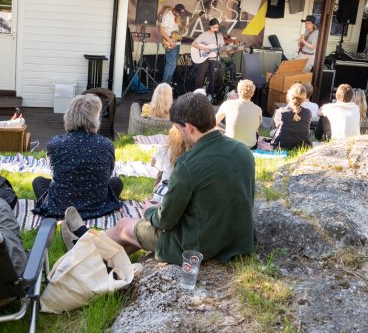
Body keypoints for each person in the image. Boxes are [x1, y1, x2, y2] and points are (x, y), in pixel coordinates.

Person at [62, 93, 255, 265]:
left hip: (198, 246)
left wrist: (150, 211)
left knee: (125, 225)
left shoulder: (188, 163)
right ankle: (97, 261)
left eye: (178, 128)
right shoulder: (243, 151)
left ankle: (80, 249)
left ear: (187, 127)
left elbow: (165, 221)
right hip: (235, 240)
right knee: (136, 231)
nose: (178, 133)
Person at [32, 94, 122, 220]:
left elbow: (56, 173)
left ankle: (69, 211)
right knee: (116, 182)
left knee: (38, 182)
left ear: (69, 115)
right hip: (96, 205)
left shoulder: (55, 143)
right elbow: (107, 174)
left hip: (62, 206)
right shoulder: (106, 144)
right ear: (95, 119)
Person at [216, 79, 262, 149]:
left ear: (238, 91)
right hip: (251, 145)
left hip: (230, 143)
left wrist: (223, 130)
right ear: (253, 93)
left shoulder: (228, 104)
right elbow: (256, 128)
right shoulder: (258, 109)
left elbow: (213, 123)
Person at [151, 124, 192, 202]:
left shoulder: (164, 149)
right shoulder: (192, 154)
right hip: (180, 193)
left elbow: (153, 163)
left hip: (162, 192)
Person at [270, 83, 312, 150]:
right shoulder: (308, 113)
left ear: (288, 95)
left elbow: (278, 127)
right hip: (302, 147)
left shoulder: (280, 111)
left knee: (273, 130)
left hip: (281, 146)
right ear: (304, 98)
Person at [192, 18, 225, 101]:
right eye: (214, 27)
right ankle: (196, 95)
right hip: (203, 59)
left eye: (217, 27)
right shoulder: (204, 35)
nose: (215, 29)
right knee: (200, 77)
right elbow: (194, 44)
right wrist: (204, 49)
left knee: (213, 78)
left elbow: (222, 48)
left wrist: (230, 48)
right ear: (210, 26)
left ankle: (210, 95)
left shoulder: (219, 36)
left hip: (214, 59)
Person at [159, 3, 189, 84]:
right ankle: (164, 84)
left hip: (177, 42)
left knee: (173, 65)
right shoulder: (167, 16)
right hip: (169, 42)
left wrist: (183, 27)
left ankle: (168, 83)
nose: (180, 14)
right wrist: (170, 41)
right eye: (179, 12)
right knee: (170, 64)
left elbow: (178, 27)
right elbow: (161, 30)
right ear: (175, 10)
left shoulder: (177, 15)